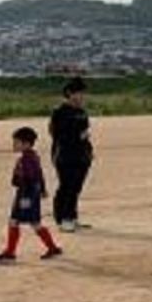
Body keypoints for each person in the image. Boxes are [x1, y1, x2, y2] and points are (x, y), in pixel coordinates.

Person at [0, 128, 62, 262]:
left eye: (17, 142)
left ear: (26, 144)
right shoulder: (32, 156)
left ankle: (11, 252)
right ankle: (52, 248)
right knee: (30, 222)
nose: (14, 145)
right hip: (28, 194)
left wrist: (25, 197)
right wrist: (42, 189)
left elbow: (31, 178)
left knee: (21, 222)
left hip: (26, 195)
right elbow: (39, 175)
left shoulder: (27, 159)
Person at [49, 77, 93, 232]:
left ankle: (72, 217)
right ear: (69, 93)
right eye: (78, 93)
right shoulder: (60, 112)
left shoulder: (81, 112)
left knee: (76, 187)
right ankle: (62, 218)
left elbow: (86, 133)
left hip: (82, 155)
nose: (81, 97)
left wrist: (89, 151)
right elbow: (57, 134)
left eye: (83, 93)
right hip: (65, 156)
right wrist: (77, 136)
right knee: (67, 186)